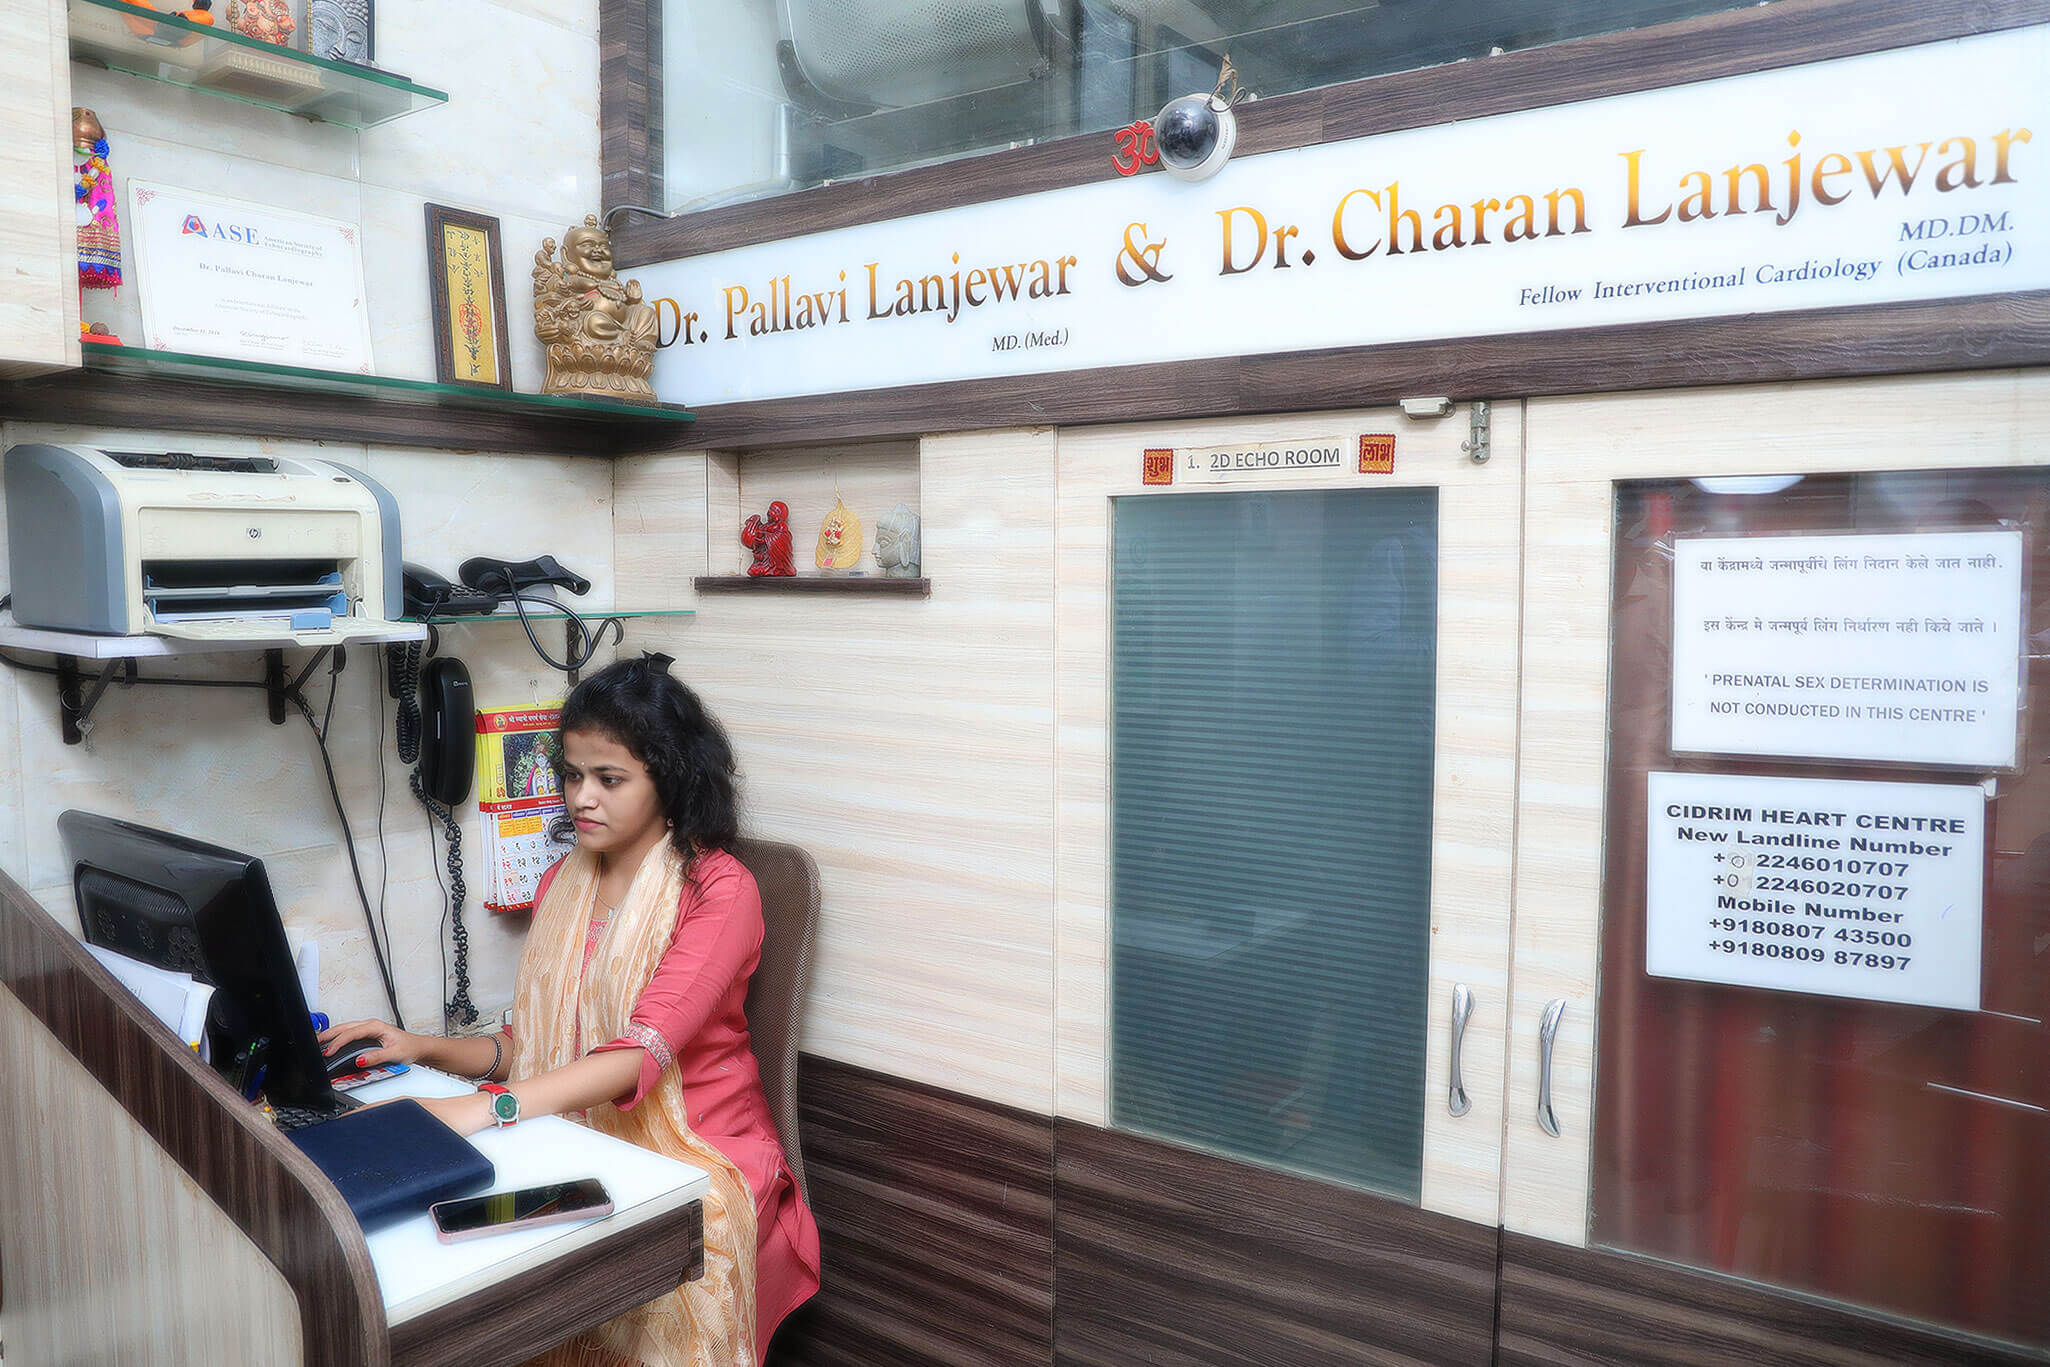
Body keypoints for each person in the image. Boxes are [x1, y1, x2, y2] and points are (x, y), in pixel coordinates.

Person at [320, 655, 820, 1366]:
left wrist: (486, 1108)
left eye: (609, 779)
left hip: (700, 1147)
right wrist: (421, 1048)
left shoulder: (720, 889)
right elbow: (529, 1045)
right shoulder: (564, 878)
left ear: (668, 778)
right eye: (573, 775)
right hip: (574, 1128)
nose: (582, 798)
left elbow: (637, 1055)